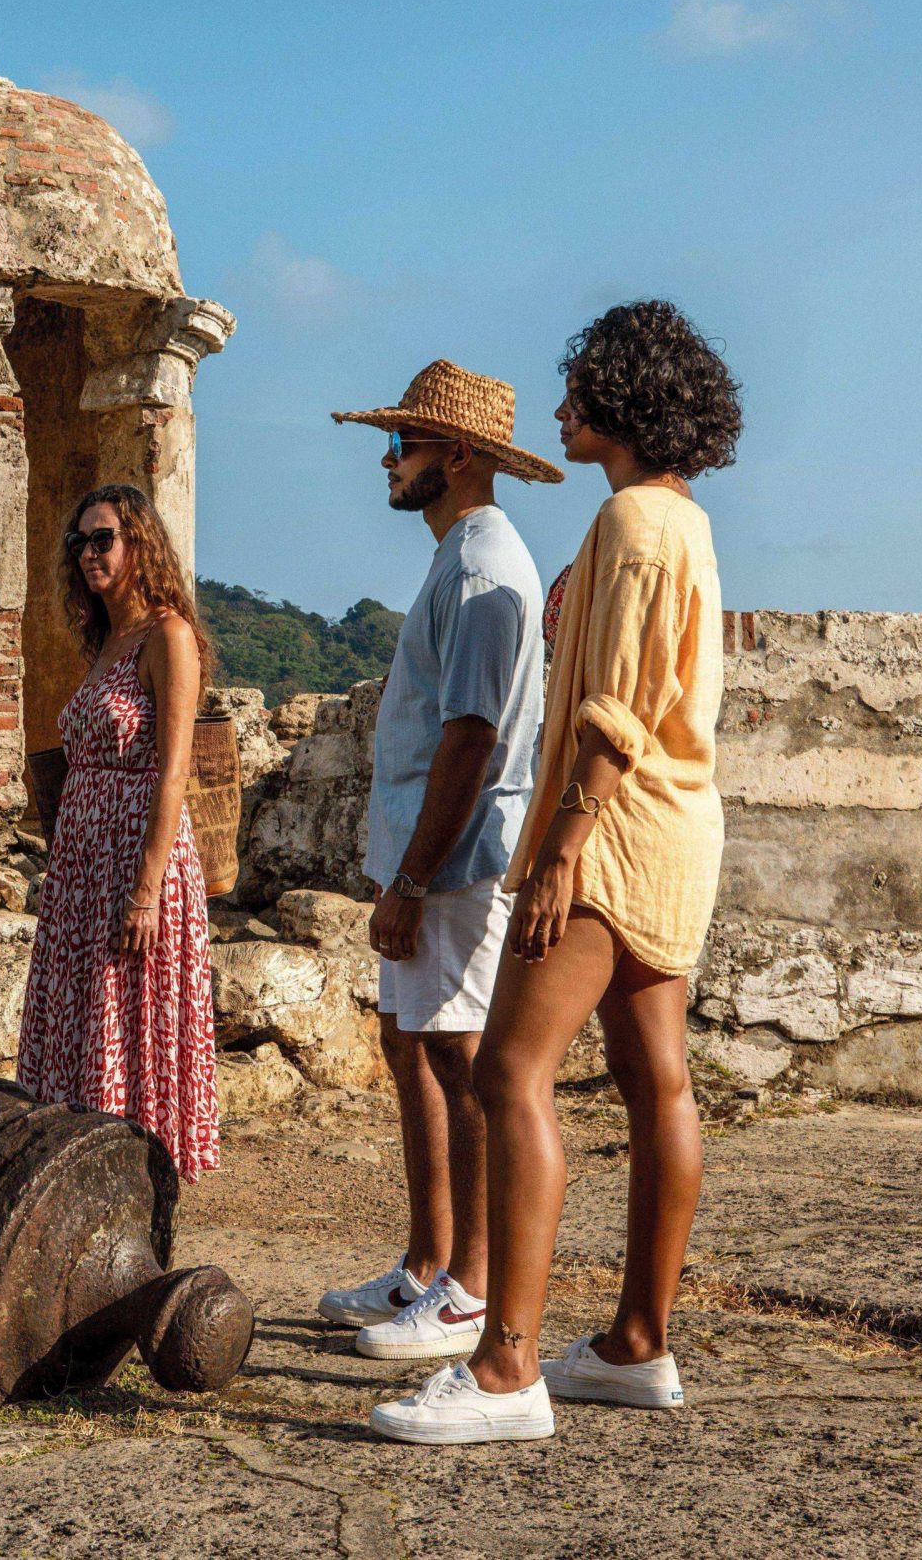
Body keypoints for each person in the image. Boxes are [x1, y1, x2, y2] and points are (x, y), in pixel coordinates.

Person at [372, 301, 741, 1445]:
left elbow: (614, 709)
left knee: (509, 1072)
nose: (562, 404)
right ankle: (635, 1342)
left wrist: (563, 850)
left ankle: (505, 1368)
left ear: (625, 397)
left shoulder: (632, 520)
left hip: (612, 829)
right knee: (654, 1078)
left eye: (580, 387)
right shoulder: (678, 520)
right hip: (675, 822)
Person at [316, 361, 558, 1362]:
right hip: (425, 851)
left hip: (455, 861)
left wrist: (414, 881)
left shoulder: (483, 571)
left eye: (402, 444)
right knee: (412, 1044)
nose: (387, 460)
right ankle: (429, 1264)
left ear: (454, 456)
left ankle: (469, 1291)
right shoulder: (458, 558)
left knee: (462, 1059)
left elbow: (471, 738)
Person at [16, 484, 220, 1185]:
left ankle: (137, 1171)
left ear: (141, 544)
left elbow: (174, 772)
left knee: (131, 1012)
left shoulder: (168, 636)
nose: (88, 553)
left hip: (136, 856)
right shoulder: (106, 640)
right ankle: (78, 1165)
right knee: (85, 1008)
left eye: (104, 539)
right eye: (79, 542)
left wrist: (145, 890)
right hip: (83, 861)